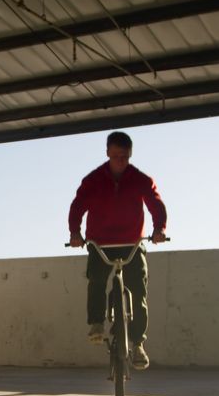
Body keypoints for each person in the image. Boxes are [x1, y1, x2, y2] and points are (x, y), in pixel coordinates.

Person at [68, 131, 167, 370]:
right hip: (100, 244)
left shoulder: (140, 179)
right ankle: (96, 324)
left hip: (131, 243)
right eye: (115, 156)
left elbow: (156, 204)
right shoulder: (93, 180)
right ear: (107, 153)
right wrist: (75, 233)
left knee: (138, 288)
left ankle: (138, 343)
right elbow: (77, 206)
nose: (120, 161)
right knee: (97, 280)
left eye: (124, 156)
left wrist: (159, 230)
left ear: (130, 154)